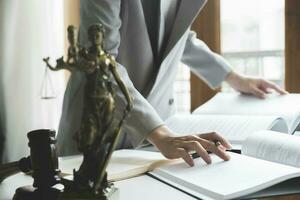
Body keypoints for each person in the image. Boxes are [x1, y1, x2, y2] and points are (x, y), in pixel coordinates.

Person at [57, 0, 287, 167]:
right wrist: (161, 134)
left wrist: (233, 77)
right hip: (97, 124)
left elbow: (179, 37)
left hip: (154, 135)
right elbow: (100, 61)